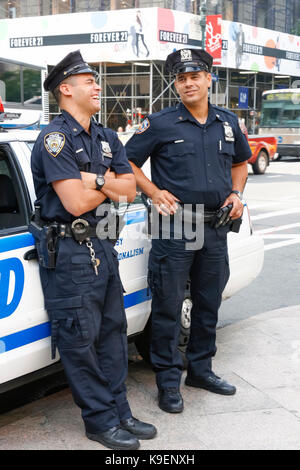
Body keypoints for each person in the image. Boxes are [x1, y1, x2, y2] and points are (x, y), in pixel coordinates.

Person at [30, 50, 156, 449]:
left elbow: (129, 189)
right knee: (81, 340)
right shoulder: (55, 138)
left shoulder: (106, 136)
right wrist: (105, 184)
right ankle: (101, 421)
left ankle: (120, 412)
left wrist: (93, 178)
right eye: (88, 81)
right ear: (66, 90)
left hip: (103, 245)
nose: (97, 86)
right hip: (69, 252)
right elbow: (74, 203)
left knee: (114, 335)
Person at [125, 48, 251, 413]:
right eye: (181, 79)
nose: (188, 83)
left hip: (215, 225)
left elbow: (241, 162)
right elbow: (128, 161)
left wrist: (236, 192)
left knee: (208, 302)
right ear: (176, 85)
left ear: (209, 78)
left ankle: (200, 370)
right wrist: (152, 191)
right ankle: (168, 382)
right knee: (167, 307)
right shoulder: (161, 123)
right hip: (175, 226)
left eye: (194, 76)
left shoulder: (227, 122)